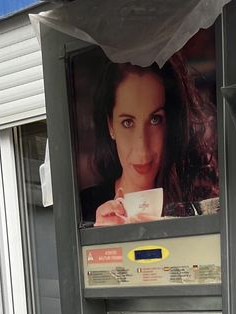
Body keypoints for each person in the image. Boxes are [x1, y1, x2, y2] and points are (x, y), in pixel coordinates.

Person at [82, 53, 219, 226]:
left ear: (171, 122)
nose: (142, 149)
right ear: (111, 126)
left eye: (155, 119)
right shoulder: (85, 208)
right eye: (128, 122)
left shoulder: (197, 200)